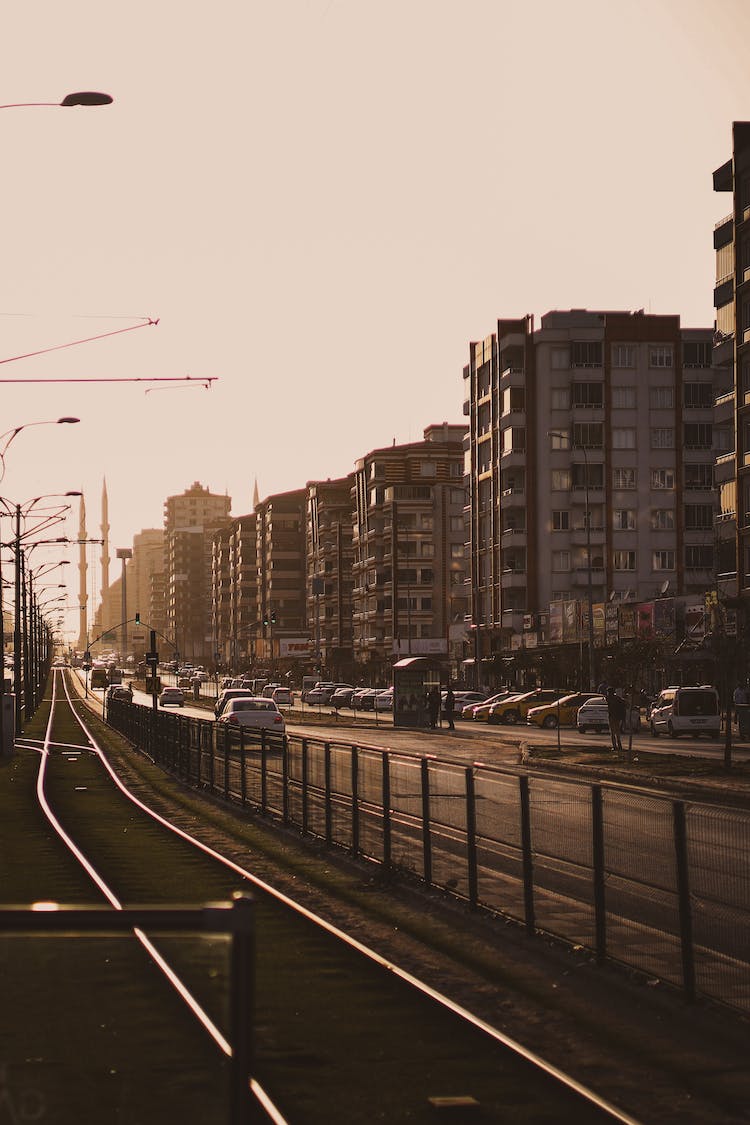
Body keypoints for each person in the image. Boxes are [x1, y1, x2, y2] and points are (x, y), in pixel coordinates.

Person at [606, 687, 627, 753]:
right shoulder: (618, 698)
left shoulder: (609, 698)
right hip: (617, 717)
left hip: (612, 716)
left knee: (612, 732)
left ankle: (615, 746)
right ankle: (619, 745)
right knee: (617, 731)